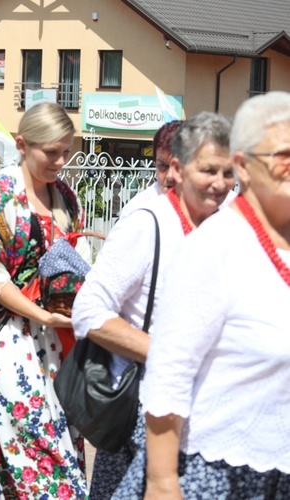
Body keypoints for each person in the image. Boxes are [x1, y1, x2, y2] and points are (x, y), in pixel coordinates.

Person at [112, 92, 290, 499]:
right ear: (244, 165)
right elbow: (170, 372)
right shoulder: (214, 247)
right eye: (283, 155)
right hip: (212, 472)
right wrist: (161, 482)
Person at [71, 112, 234, 499]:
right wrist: (166, 352)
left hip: (202, 408)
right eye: (208, 170)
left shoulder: (224, 227)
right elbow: (89, 310)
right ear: (176, 170)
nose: (220, 183)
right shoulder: (147, 222)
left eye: (228, 172)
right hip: (141, 405)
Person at [0, 102, 88, 498]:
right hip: (8, 336)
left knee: (54, 431)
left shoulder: (66, 196)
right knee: (32, 439)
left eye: (66, 151)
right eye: (52, 151)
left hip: (58, 344)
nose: (61, 161)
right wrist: (42, 315)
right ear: (21, 145)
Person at [118, 120, 182, 218]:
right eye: (163, 166)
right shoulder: (136, 212)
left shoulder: (208, 211)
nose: (170, 176)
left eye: (177, 167)